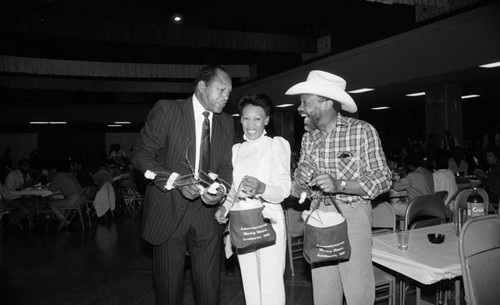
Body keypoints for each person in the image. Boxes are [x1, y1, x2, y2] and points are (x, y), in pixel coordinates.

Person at [286, 70, 392, 305]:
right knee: (324, 293)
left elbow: (384, 179)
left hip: (353, 217)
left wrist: (339, 184)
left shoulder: (362, 131)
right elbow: (298, 191)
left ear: (326, 103)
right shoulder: (308, 138)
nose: (300, 108)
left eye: (305, 102)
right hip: (317, 217)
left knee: (358, 292)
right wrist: (300, 179)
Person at [132, 65, 234, 305]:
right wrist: (174, 180)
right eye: (221, 89)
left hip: (206, 215)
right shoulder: (168, 110)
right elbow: (140, 154)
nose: (226, 96)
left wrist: (220, 190)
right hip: (168, 210)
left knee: (209, 291)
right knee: (168, 291)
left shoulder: (227, 122)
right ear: (201, 87)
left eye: (229, 92)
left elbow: (226, 167)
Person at [214, 93, 291, 305]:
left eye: (257, 118)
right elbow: (233, 189)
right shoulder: (236, 150)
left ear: (267, 120)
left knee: (271, 284)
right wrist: (225, 208)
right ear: (240, 119)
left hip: (269, 220)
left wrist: (261, 187)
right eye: (246, 118)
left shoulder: (276, 144)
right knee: (249, 280)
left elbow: (283, 190)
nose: (251, 124)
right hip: (242, 221)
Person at [390, 152, 434, 216]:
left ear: (410, 166)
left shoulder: (413, 175)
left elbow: (396, 186)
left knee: (390, 206)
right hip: (429, 206)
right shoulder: (428, 173)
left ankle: (392, 225)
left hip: (417, 208)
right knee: (402, 201)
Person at [47, 159, 83, 229]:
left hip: (74, 201)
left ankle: (64, 222)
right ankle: (64, 221)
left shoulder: (59, 176)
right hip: (82, 199)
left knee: (51, 204)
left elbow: (51, 189)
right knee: (61, 201)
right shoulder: (71, 174)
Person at [1, 158, 38, 225]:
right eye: (24, 166)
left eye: (28, 166)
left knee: (37, 206)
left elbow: (27, 189)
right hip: (9, 197)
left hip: (20, 196)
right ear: (20, 166)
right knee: (26, 209)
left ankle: (23, 218)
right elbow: (9, 189)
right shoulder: (12, 175)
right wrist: (23, 185)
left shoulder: (27, 175)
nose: (26, 168)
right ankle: (10, 220)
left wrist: (32, 185)